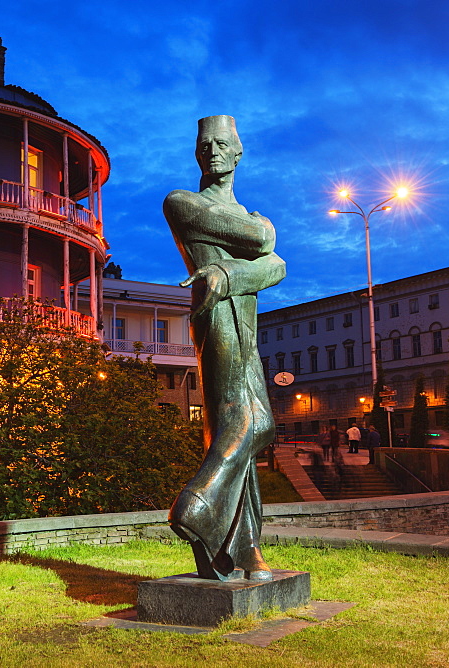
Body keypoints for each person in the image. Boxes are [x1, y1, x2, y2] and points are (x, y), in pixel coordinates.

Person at [165, 115, 286, 582]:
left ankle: (244, 550)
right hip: (217, 319)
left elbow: (277, 267)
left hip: (244, 321)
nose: (212, 152)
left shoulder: (242, 215)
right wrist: (256, 249)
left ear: (238, 152)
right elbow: (263, 242)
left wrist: (229, 274)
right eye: (204, 145)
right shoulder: (182, 203)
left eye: (221, 145)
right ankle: (196, 502)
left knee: (242, 426)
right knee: (248, 420)